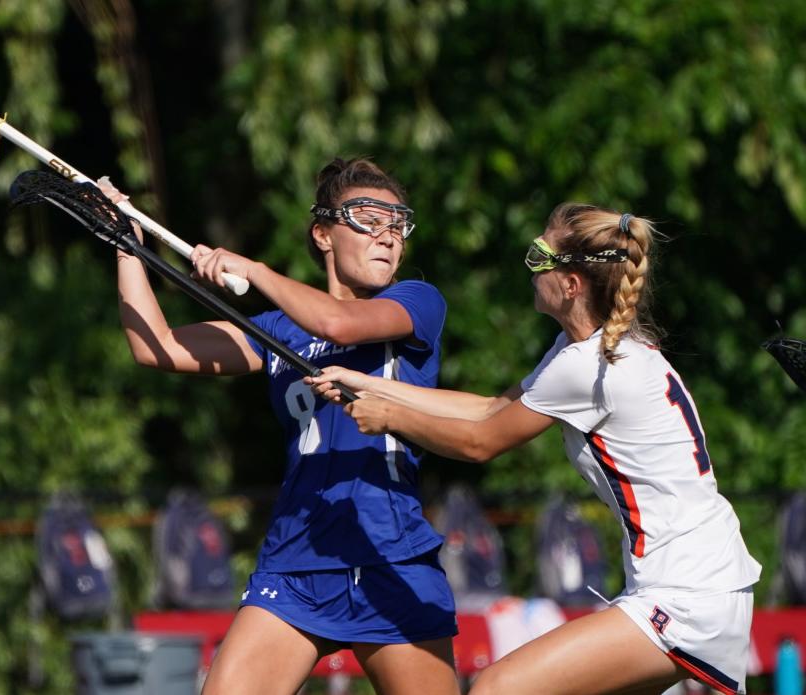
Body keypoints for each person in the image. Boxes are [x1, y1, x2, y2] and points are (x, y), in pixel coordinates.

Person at [309, 203, 762, 695]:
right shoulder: (588, 351)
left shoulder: (588, 365)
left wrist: (389, 419)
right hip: (703, 583)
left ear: (570, 285)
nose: (529, 271)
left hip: (686, 593)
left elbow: (481, 443)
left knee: (496, 688)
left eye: (538, 258)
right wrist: (368, 384)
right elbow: (487, 409)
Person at [101, 158, 460, 695]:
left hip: (391, 556)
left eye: (397, 223)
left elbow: (337, 323)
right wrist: (126, 245)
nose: (387, 237)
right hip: (296, 560)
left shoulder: (415, 302)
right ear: (323, 234)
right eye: (367, 218)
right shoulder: (277, 330)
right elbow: (157, 346)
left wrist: (256, 272)